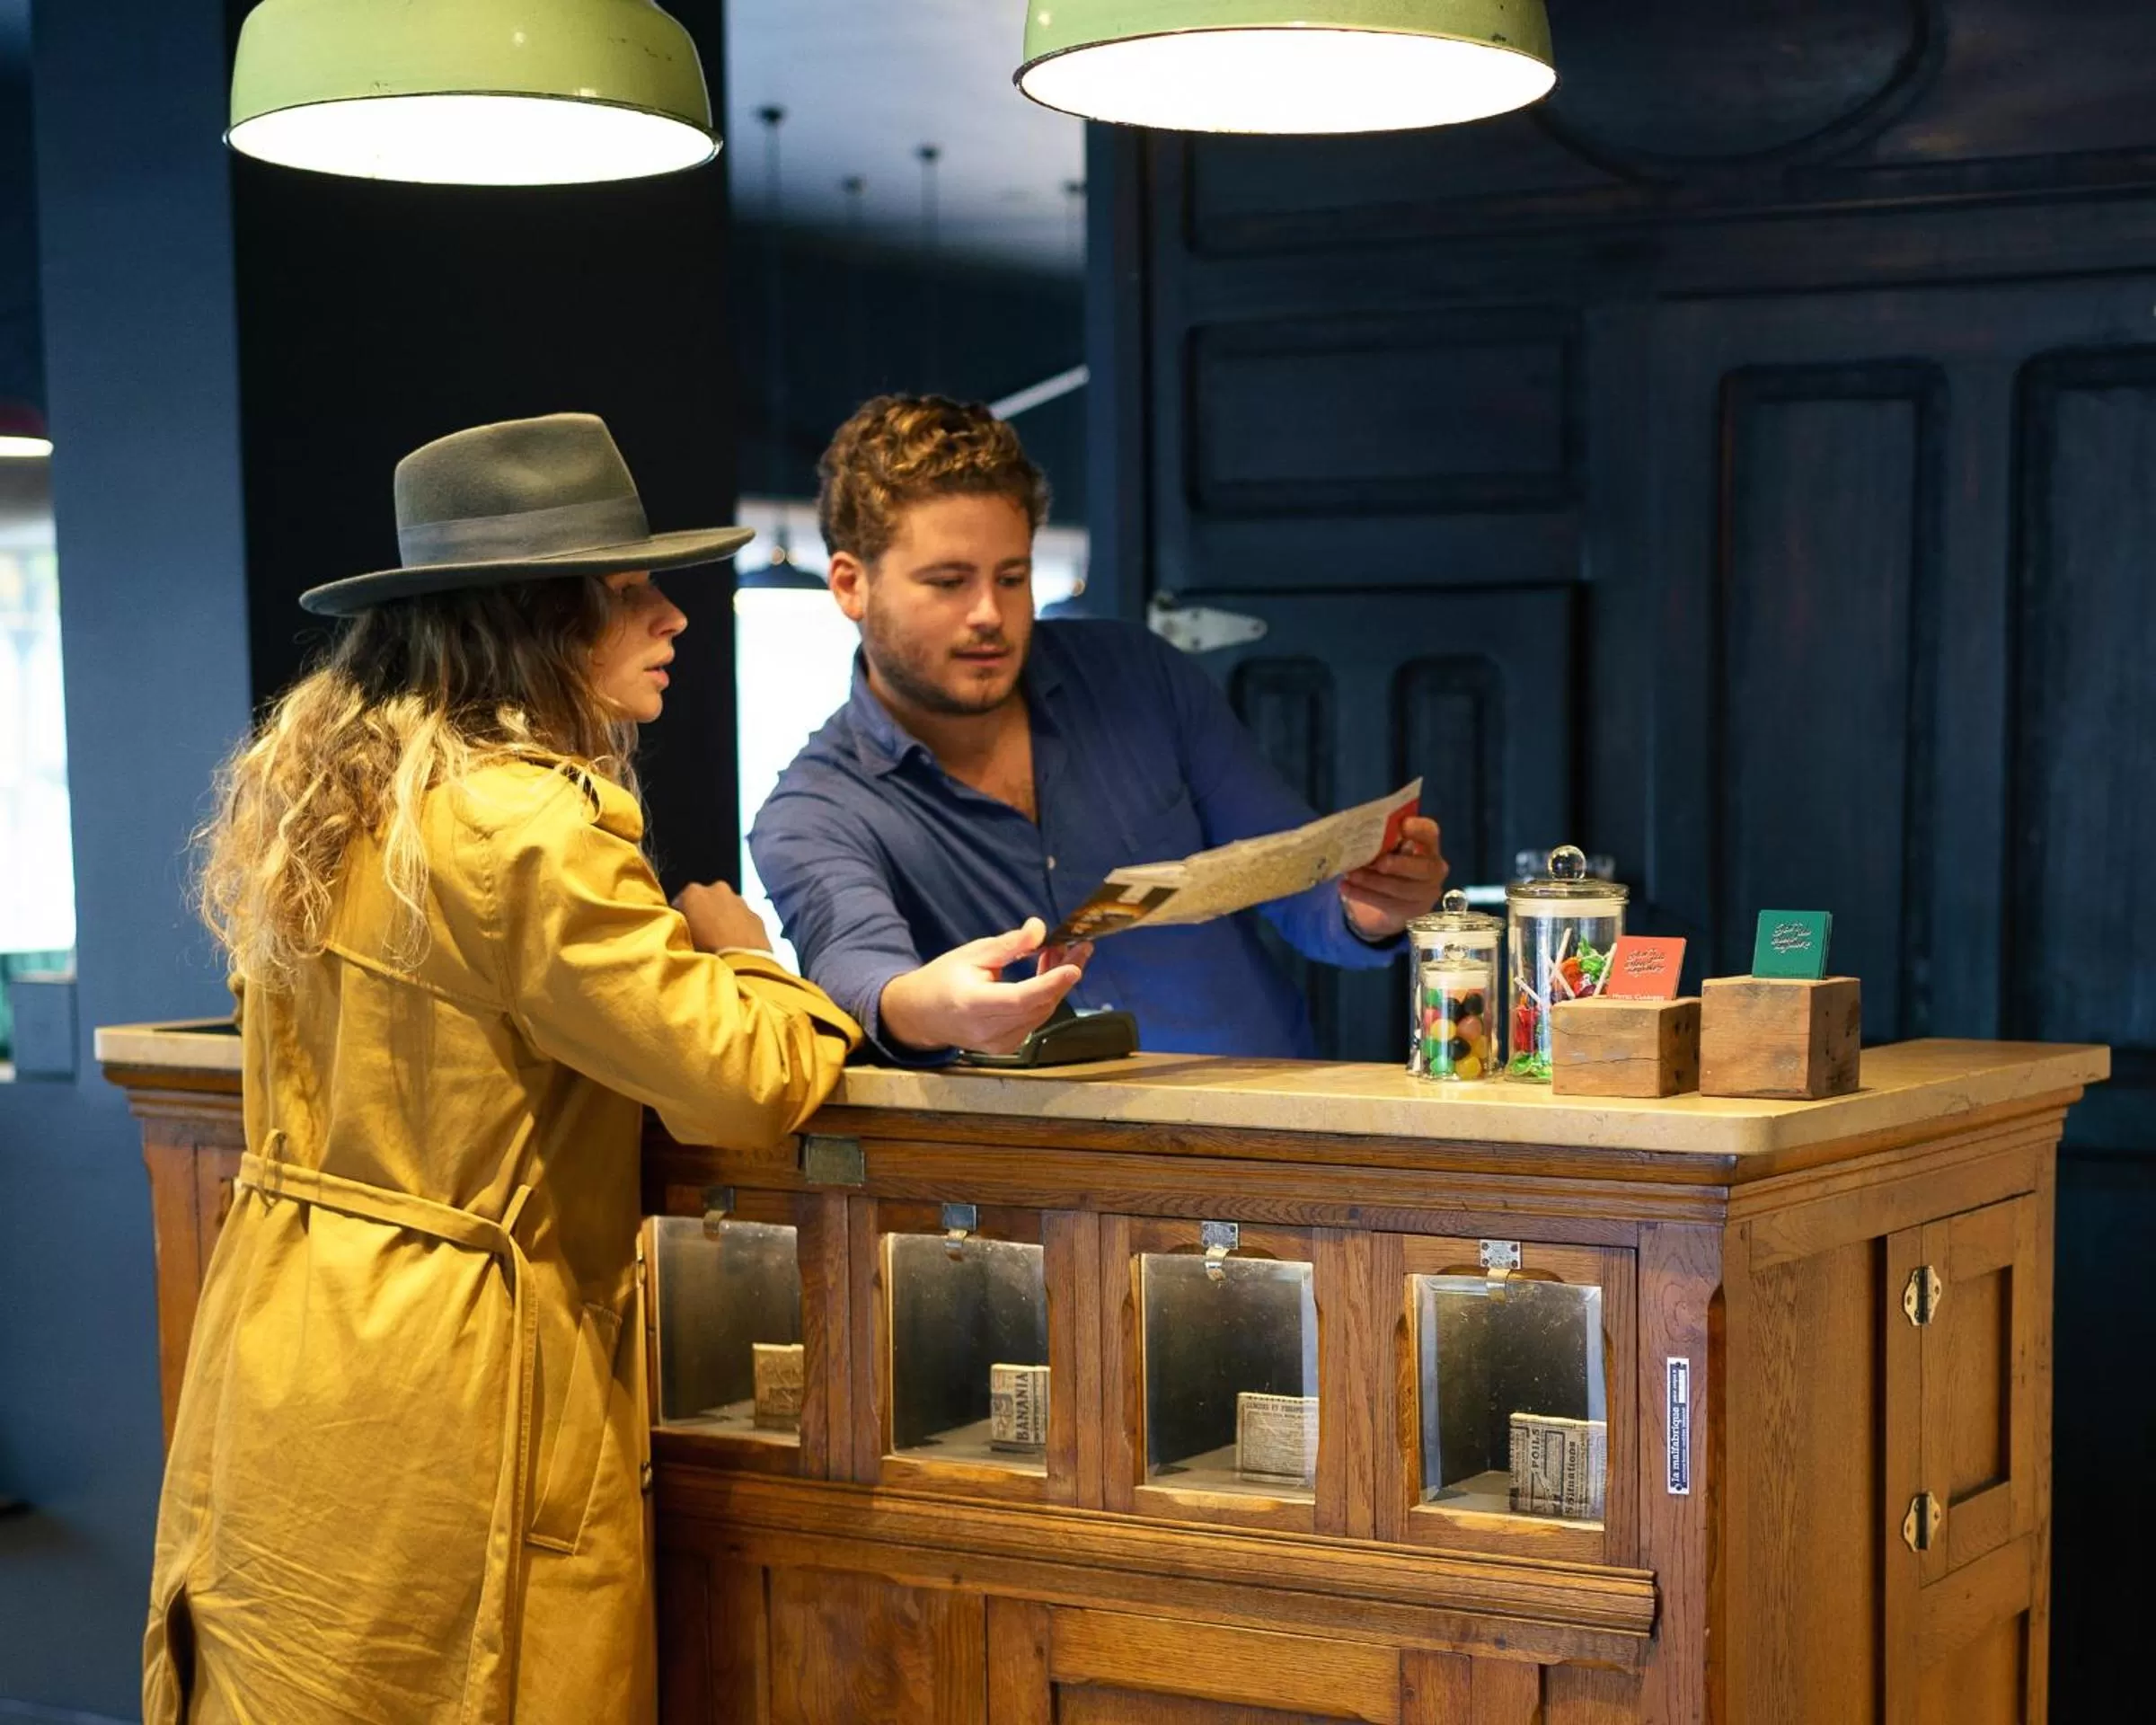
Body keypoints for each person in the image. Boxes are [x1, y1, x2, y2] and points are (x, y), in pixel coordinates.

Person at [146, 413, 860, 1725]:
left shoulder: (323, 795)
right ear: (545, 617)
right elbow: (736, 1085)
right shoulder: (530, 825)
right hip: (460, 1368)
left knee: (298, 1677)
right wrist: (748, 955)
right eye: (632, 589)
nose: (672, 618)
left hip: (287, 1333)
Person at [749, 394, 1449, 1061]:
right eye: (948, 581)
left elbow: (1302, 887)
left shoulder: (1136, 675)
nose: (989, 613)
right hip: (1050, 1169)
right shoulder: (812, 813)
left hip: (1269, 1133)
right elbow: (859, 971)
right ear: (849, 585)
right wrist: (929, 1008)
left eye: (1012, 576)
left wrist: (1373, 907)